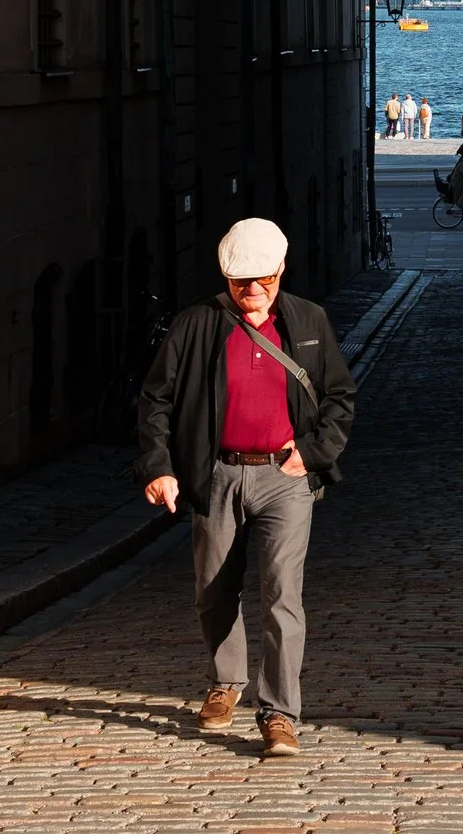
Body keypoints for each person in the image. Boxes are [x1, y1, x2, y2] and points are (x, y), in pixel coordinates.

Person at [136, 218, 356, 761]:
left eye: (262, 281)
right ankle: (224, 680)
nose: (252, 293)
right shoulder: (196, 325)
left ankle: (280, 713)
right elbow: (155, 400)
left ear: (281, 270)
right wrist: (159, 467)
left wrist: (313, 452)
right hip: (216, 473)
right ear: (227, 279)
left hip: (285, 476)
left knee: (283, 594)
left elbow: (339, 396)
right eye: (241, 285)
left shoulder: (309, 321)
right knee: (214, 587)